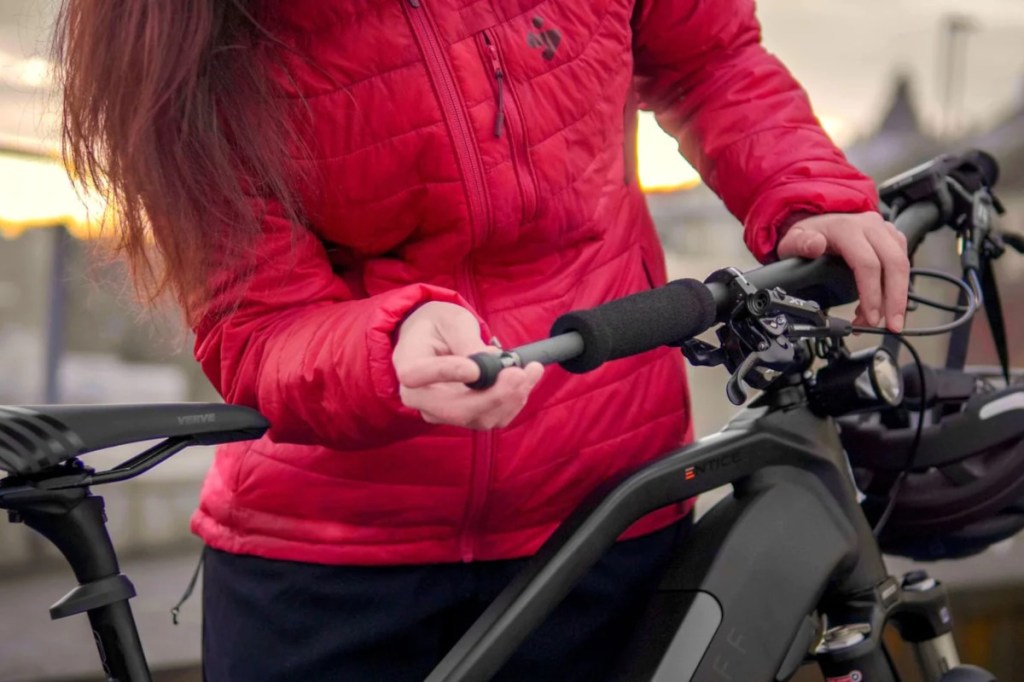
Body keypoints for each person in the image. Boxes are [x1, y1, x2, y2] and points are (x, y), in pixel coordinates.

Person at [55, 0, 909, 679]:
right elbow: (260, 322)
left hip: (608, 517)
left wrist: (809, 190)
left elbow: (710, 55)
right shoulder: (177, 34)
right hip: (329, 567)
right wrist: (386, 347)